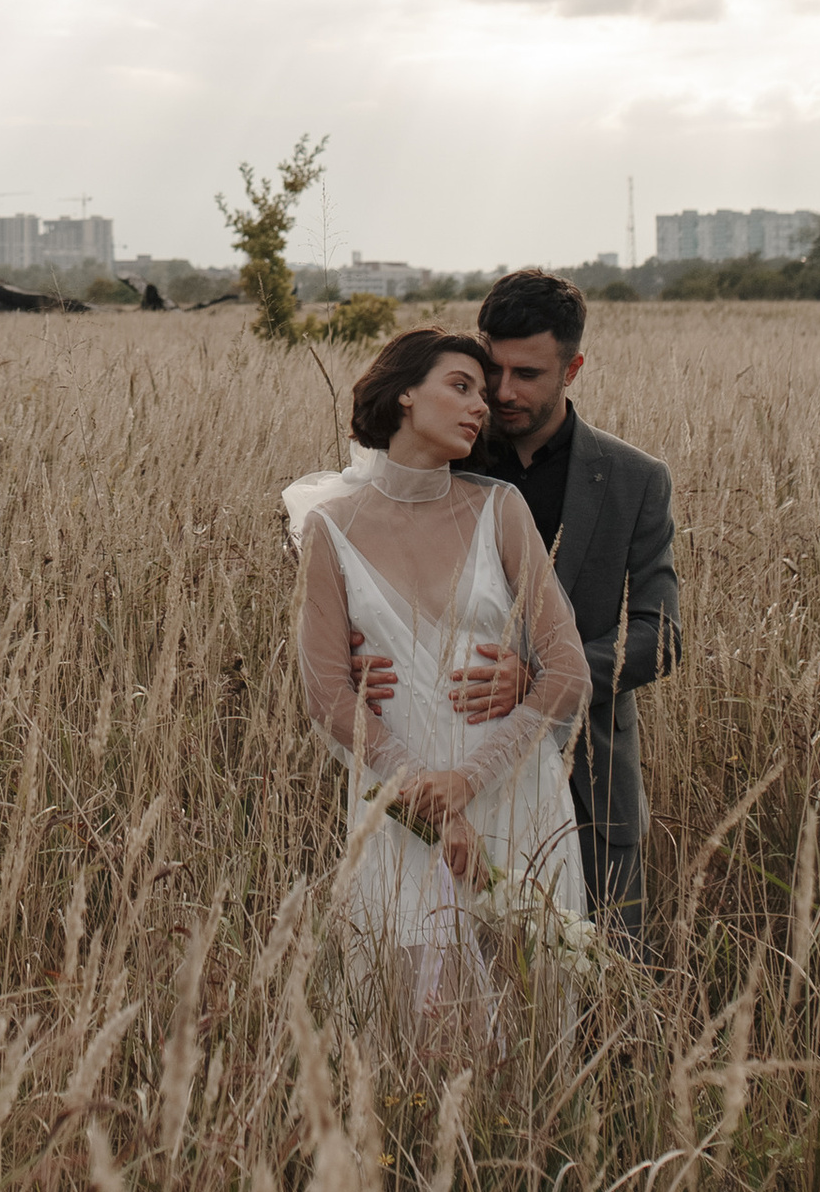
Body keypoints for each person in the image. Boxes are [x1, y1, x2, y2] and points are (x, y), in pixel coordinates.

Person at [347, 270, 679, 946]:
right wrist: (356, 645)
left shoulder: (634, 479)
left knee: (599, 986)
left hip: (586, 782)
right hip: (443, 774)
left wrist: (541, 676)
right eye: (490, 369)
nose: (502, 392)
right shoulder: (442, 452)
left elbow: (660, 635)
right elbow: (358, 566)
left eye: (527, 374)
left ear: (573, 368)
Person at [289, 326, 590, 998]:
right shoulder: (329, 529)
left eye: (482, 394)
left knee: (526, 1024)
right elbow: (327, 694)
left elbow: (571, 670)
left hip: (515, 794)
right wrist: (425, 790)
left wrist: (470, 779)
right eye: (460, 387)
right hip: (401, 809)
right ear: (401, 396)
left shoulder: (500, 509)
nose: (480, 405)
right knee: (425, 1034)